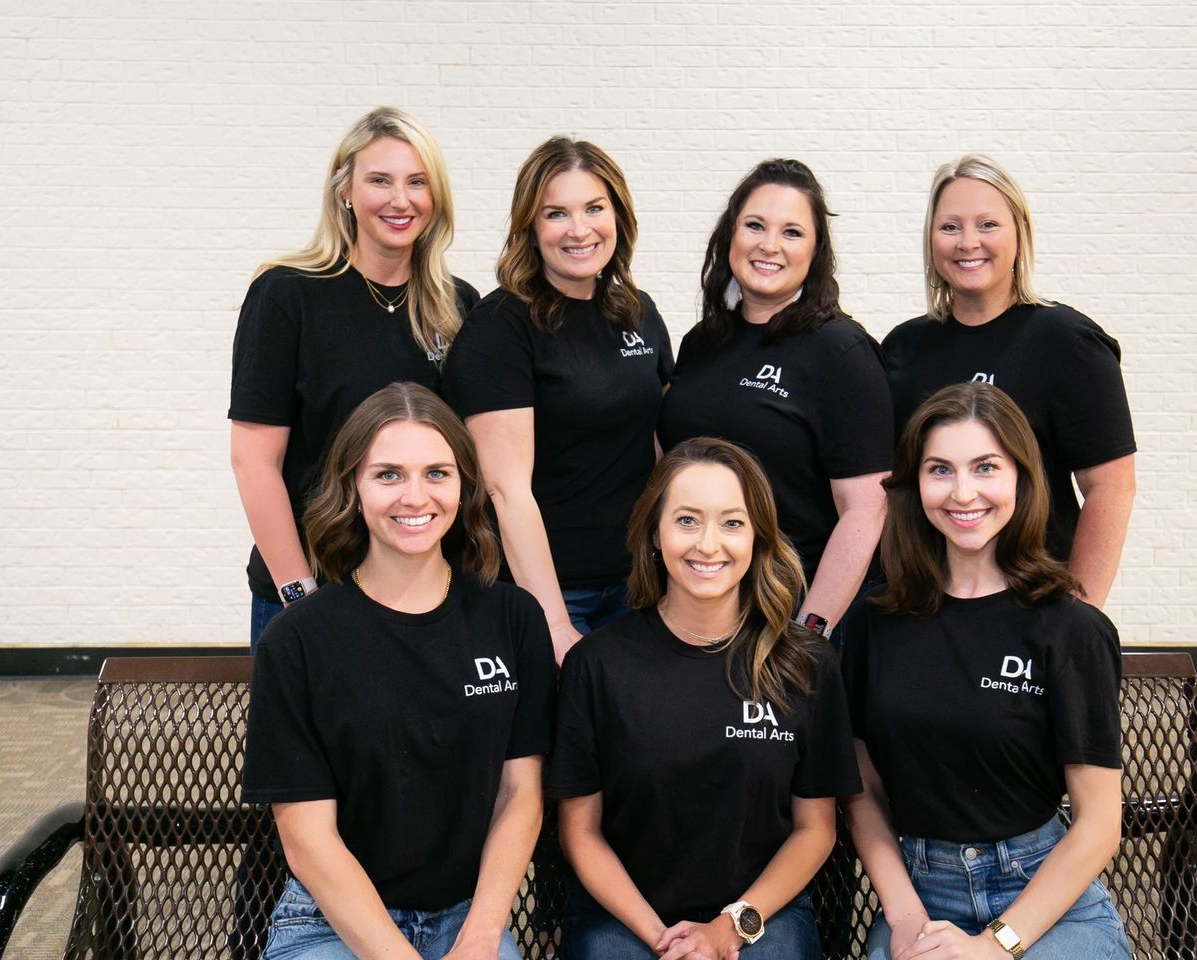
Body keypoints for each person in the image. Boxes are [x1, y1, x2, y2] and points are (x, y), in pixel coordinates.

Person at [243, 382, 556, 960]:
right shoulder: (299, 639)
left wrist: (485, 933)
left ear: (464, 486)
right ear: (352, 487)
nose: (416, 496)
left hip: (467, 920)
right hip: (330, 922)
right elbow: (308, 840)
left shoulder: (512, 619)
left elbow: (521, 791)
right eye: (388, 474)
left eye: (437, 473)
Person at [842, 382, 1129, 960]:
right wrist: (903, 917)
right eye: (940, 470)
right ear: (914, 484)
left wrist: (996, 947)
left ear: (1021, 479)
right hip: (921, 895)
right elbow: (862, 790)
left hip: (1044, 899)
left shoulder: (1070, 627)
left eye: (986, 468)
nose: (963, 492)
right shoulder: (876, 620)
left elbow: (1099, 824)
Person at [548, 437, 861, 960]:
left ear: (758, 537)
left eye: (732, 523)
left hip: (762, 913)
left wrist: (728, 929)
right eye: (687, 520)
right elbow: (580, 833)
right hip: (624, 917)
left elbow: (815, 830)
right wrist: (662, 939)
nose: (708, 544)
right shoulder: (597, 664)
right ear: (654, 532)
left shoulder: (804, 664)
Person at [229, 106, 479, 646]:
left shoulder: (457, 305)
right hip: (311, 587)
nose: (400, 199)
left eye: (417, 182)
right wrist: (300, 596)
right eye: (379, 181)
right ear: (345, 190)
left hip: (423, 593)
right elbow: (253, 459)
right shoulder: (287, 295)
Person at [444, 136, 671, 663]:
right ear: (530, 226)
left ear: (618, 215)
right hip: (551, 591)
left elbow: (659, 447)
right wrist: (552, 621)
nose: (579, 229)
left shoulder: (637, 312)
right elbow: (505, 488)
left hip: (639, 584)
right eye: (556, 213)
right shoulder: (501, 327)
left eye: (594, 208)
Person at [882, 154, 1135, 608]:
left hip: (1033, 601)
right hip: (925, 603)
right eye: (950, 227)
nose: (968, 242)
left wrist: (1080, 613)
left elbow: (1112, 488)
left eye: (988, 224)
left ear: (1019, 234)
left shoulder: (1068, 343)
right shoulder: (902, 348)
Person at [658, 159, 891, 641]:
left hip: (789, 607)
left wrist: (811, 628)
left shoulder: (840, 351)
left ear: (815, 250)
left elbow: (866, 510)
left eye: (791, 232)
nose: (769, 245)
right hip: (698, 599)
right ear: (730, 236)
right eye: (755, 226)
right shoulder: (703, 341)